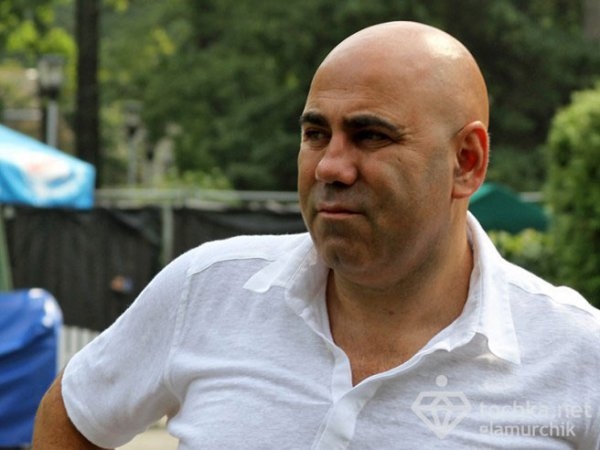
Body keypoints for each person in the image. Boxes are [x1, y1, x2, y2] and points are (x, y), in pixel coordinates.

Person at [33, 21, 600, 449]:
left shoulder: (577, 356)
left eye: (370, 135)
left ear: (466, 162)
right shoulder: (207, 290)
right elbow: (74, 415)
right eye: (315, 133)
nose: (330, 166)